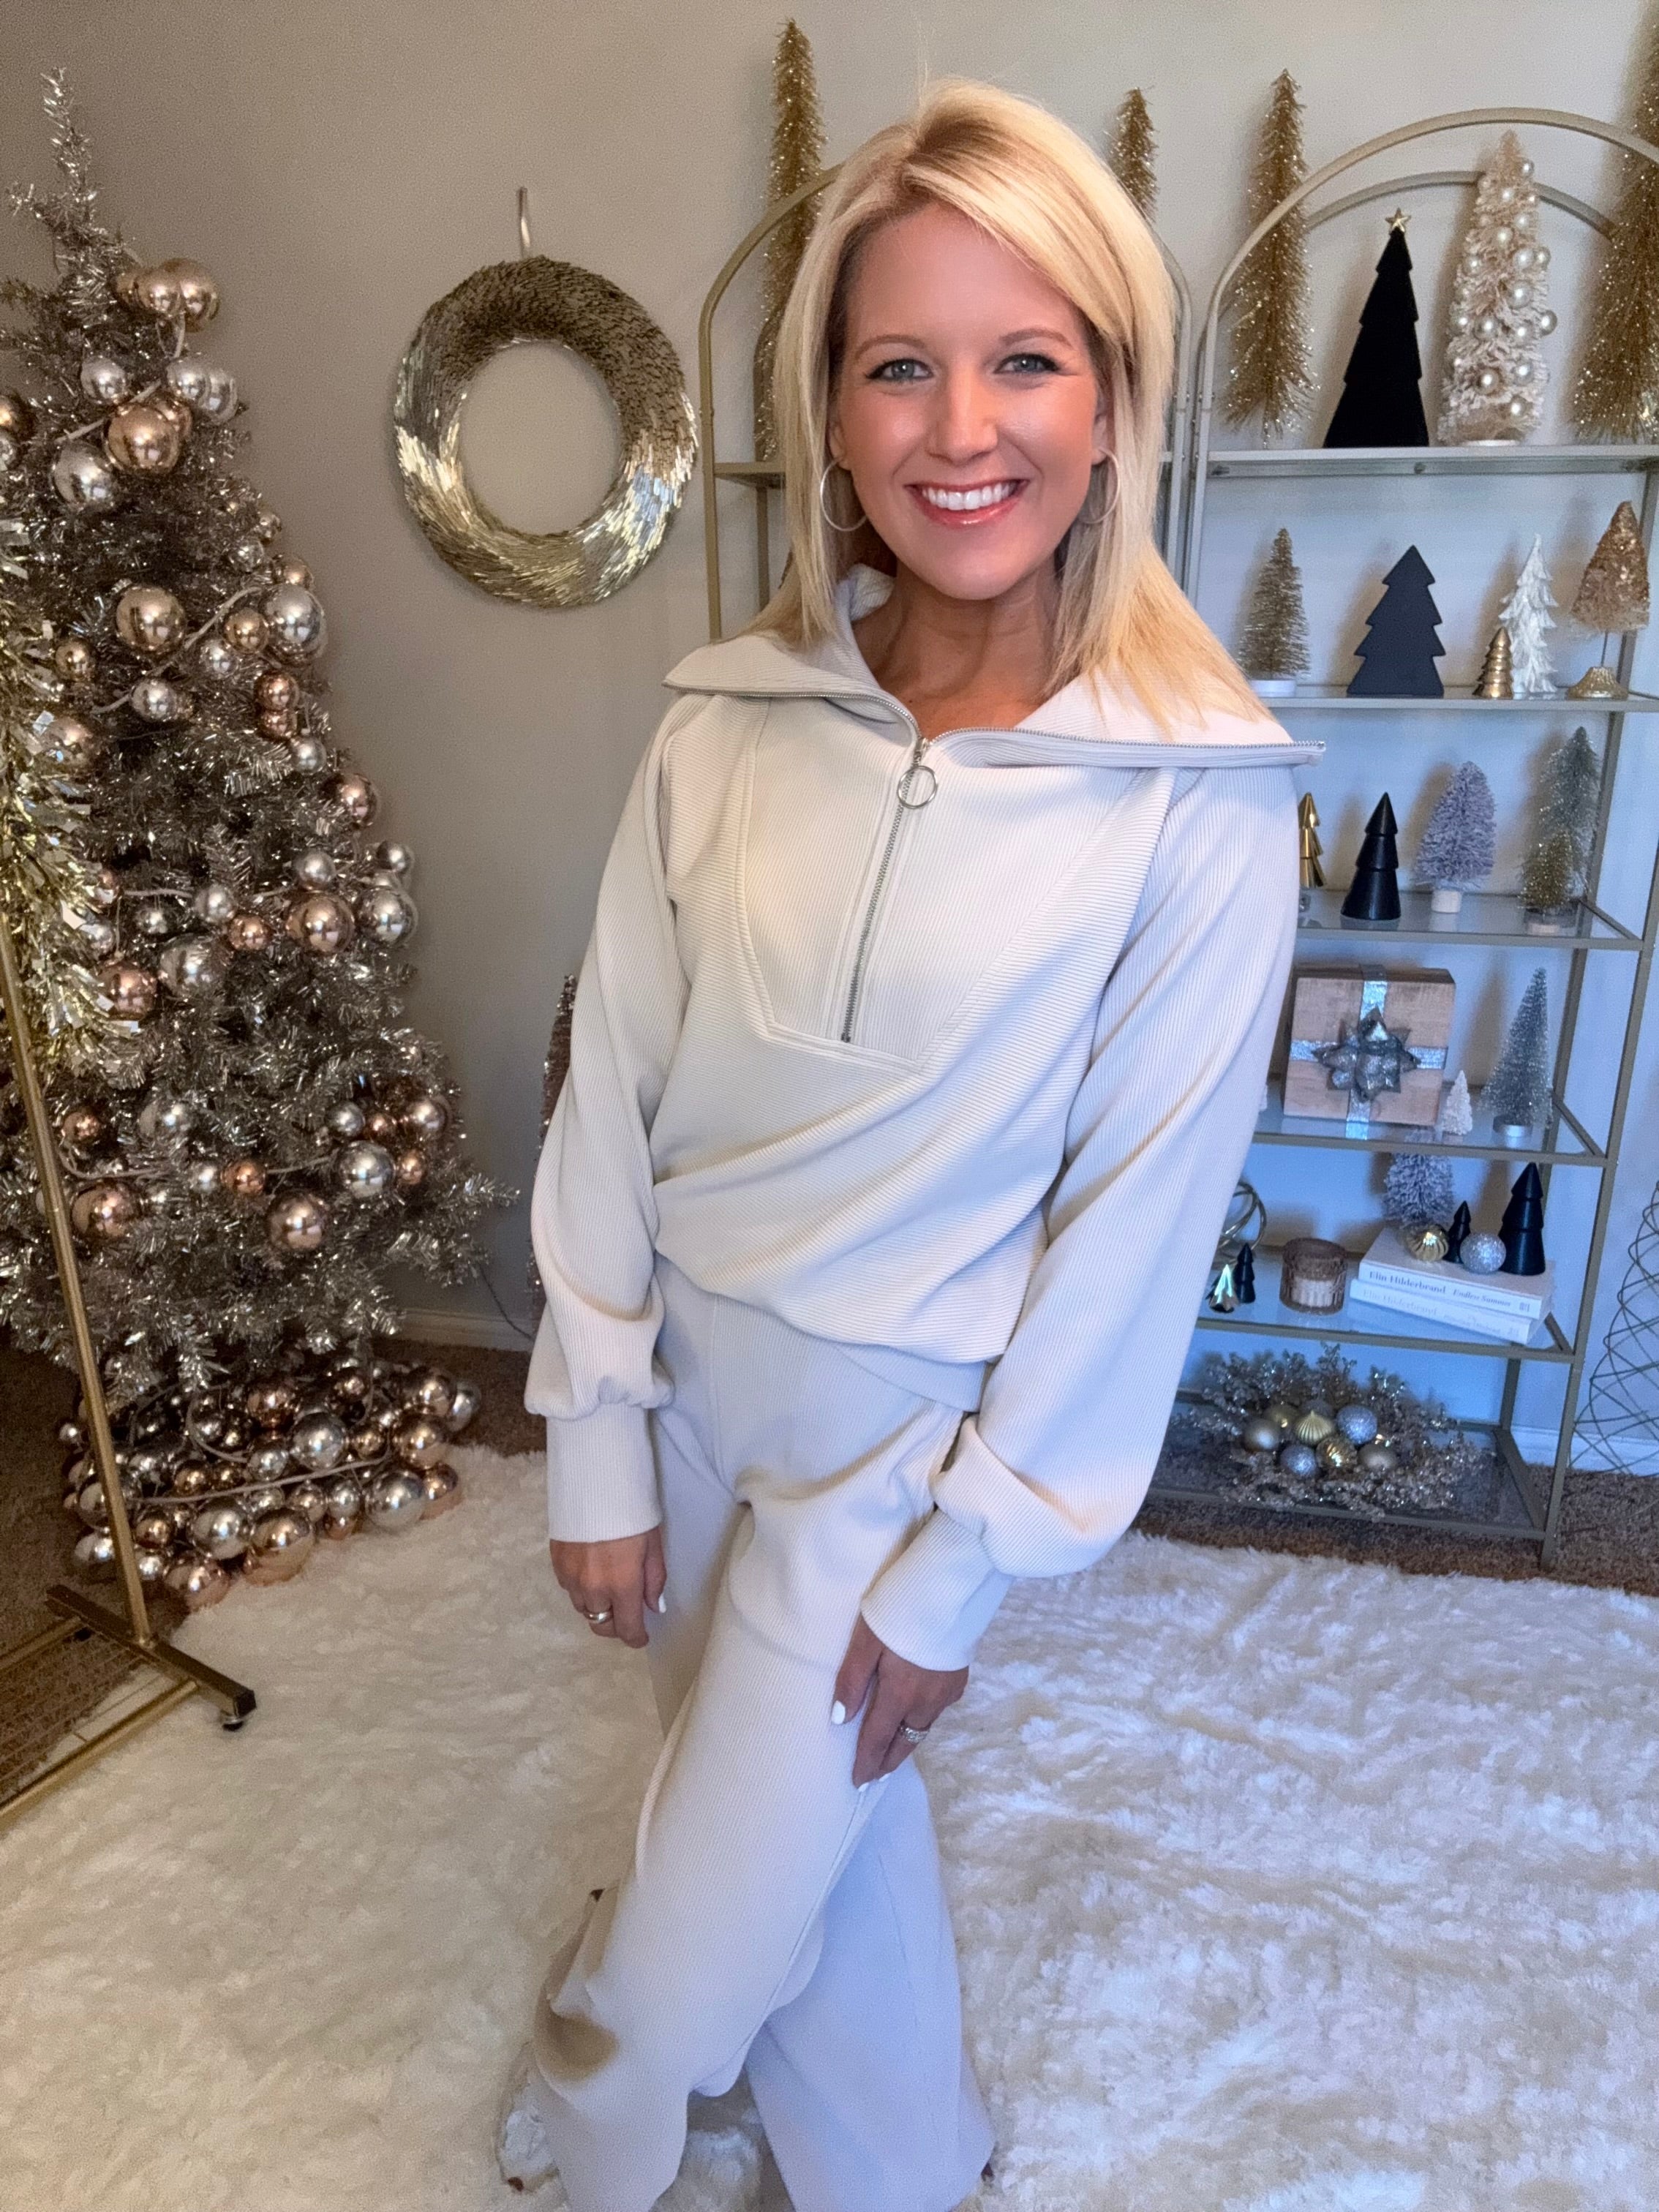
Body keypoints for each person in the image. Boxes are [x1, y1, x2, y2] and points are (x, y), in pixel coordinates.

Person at [498, 76, 1318, 2212]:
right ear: (835, 416)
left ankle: (593, 2130)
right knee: (816, 1863)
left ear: (1111, 403)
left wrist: (965, 1562)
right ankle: (906, 2167)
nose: (963, 429)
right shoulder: (726, 719)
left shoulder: (1200, 798)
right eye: (900, 366)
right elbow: (618, 1085)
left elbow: (1135, 1237)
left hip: (898, 1453)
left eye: (1024, 359)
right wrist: (595, 1432)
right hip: (690, 1390)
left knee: (678, 1979)